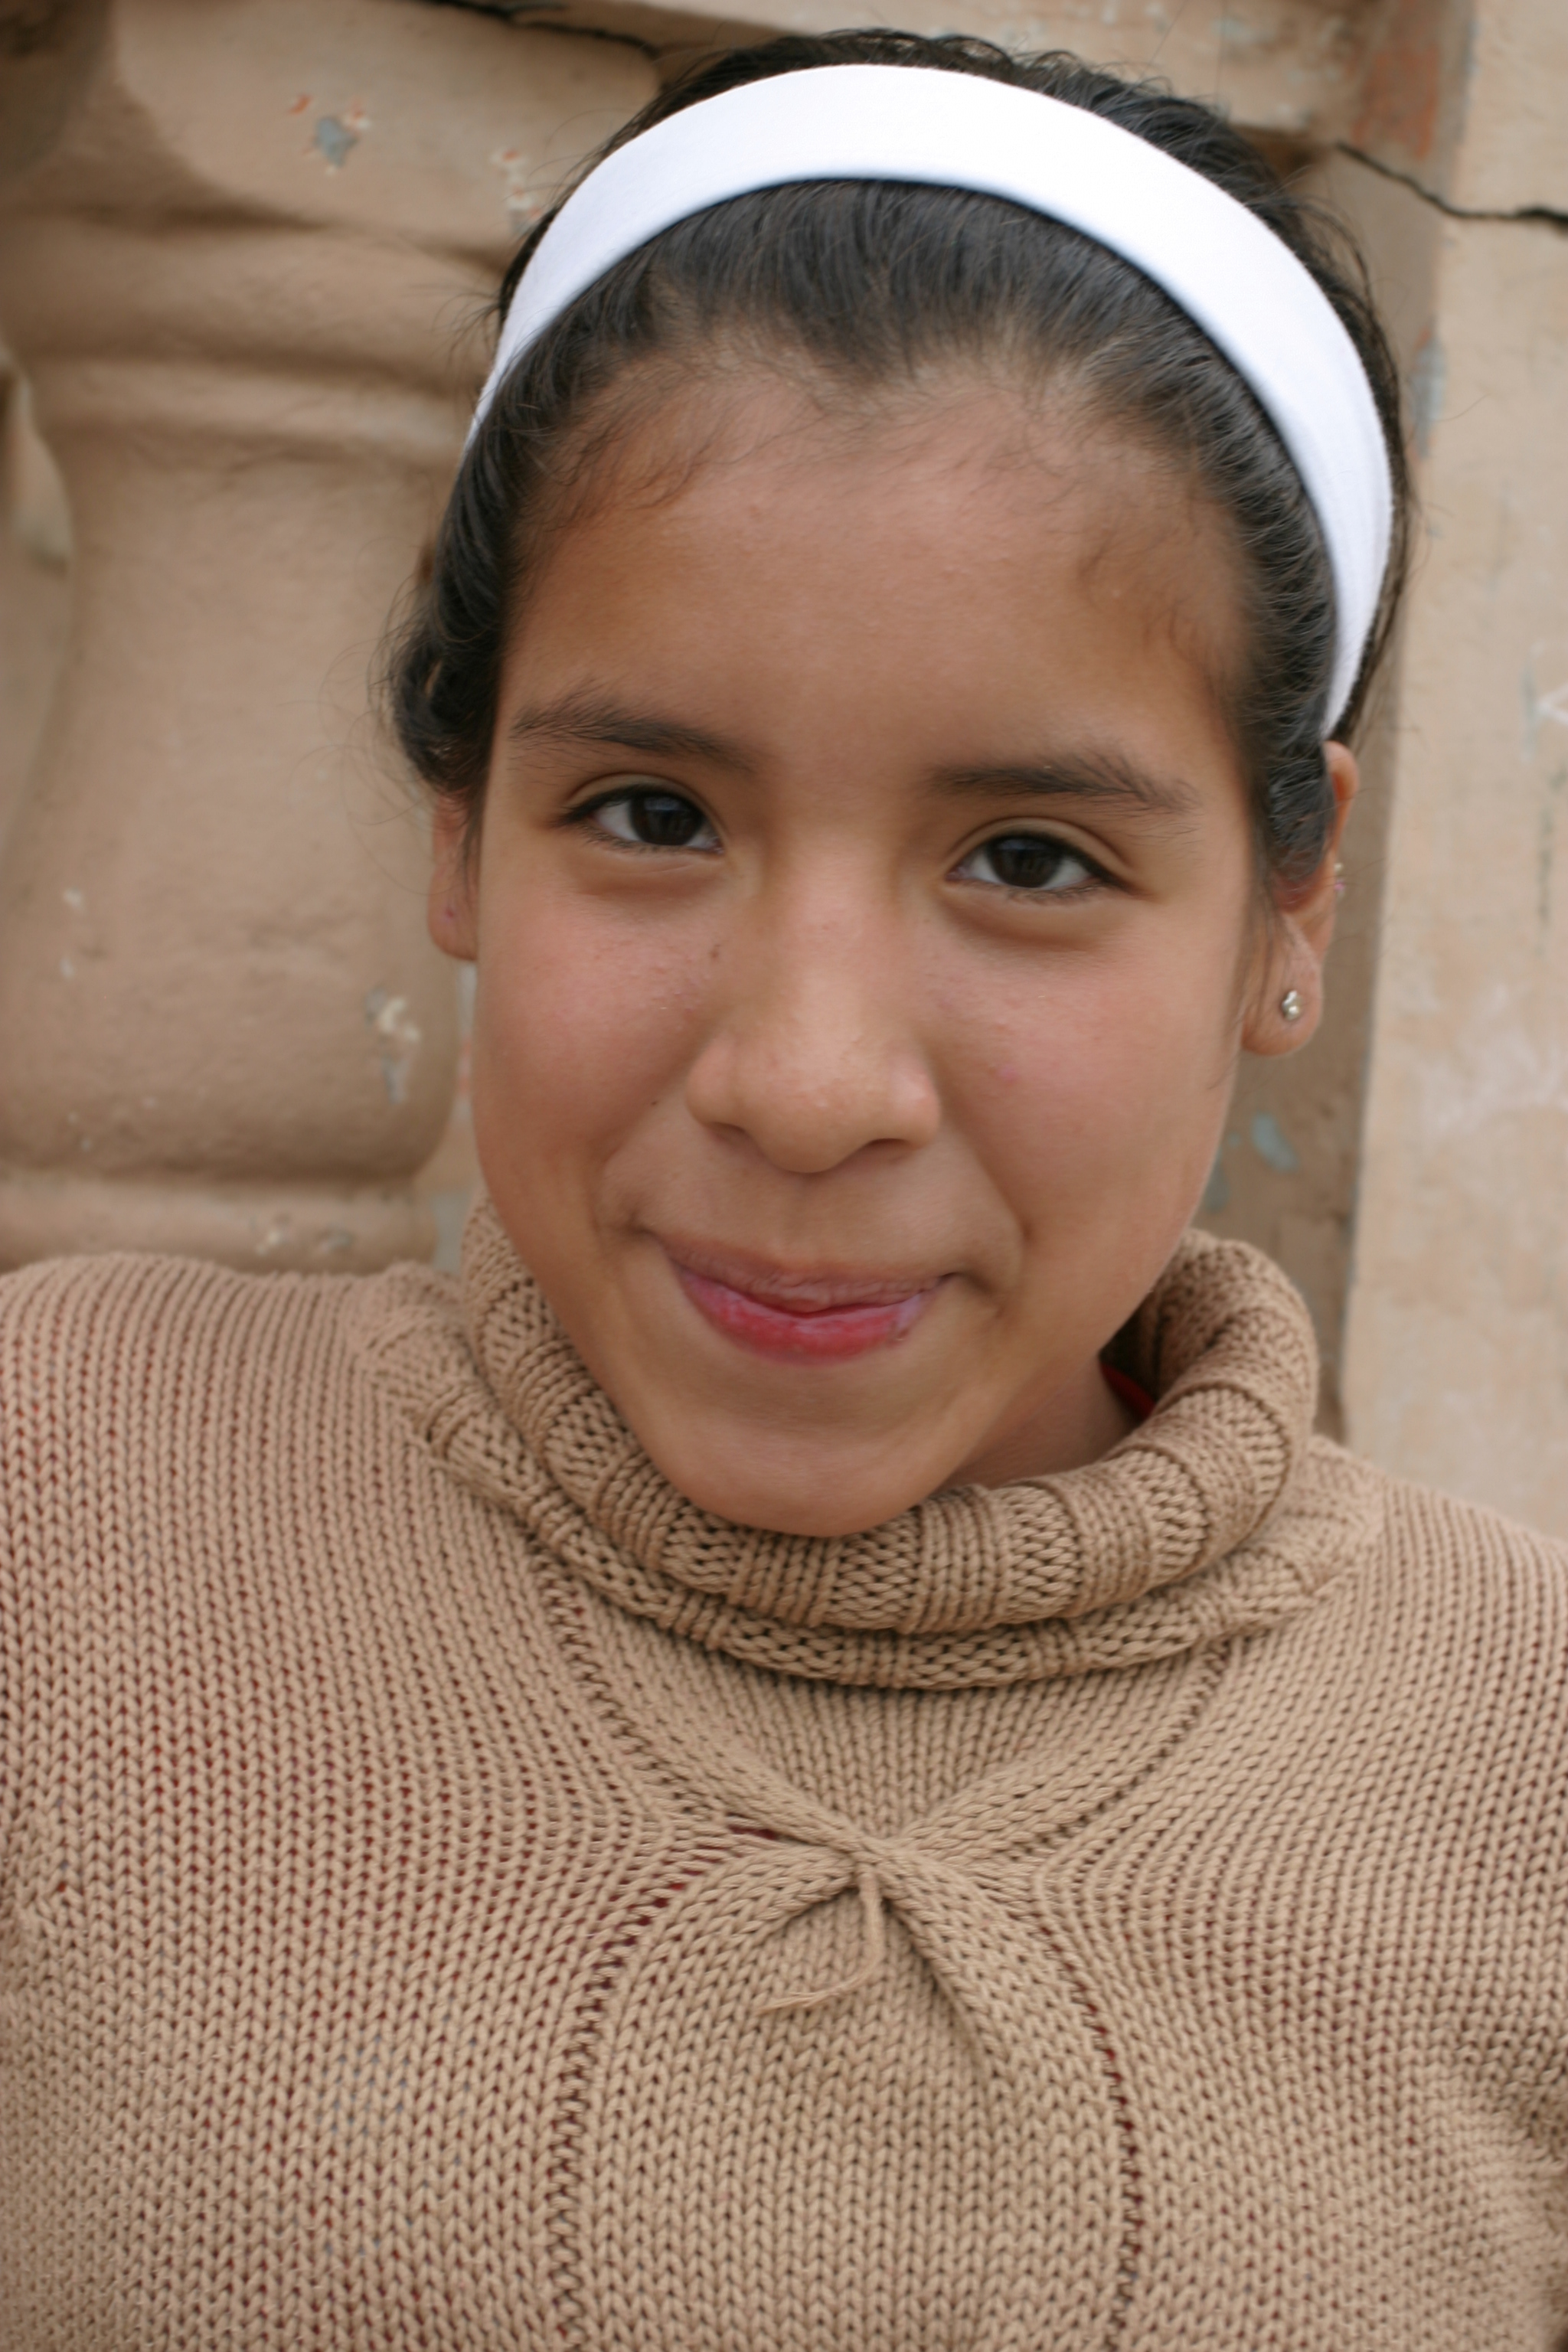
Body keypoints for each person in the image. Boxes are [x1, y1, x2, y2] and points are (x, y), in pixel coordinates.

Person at [2, 30, 1564, 2350]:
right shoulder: (62, 1513)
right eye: (650, 814)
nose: (809, 1085)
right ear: (457, 829)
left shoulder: (1521, 1782)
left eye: (1031, 858)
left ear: (1290, 912)